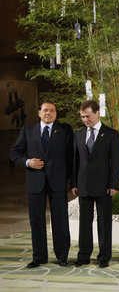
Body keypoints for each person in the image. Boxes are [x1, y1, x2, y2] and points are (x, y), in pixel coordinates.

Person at [10, 102, 72, 268]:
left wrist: (71, 181)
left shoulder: (65, 131)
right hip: (35, 182)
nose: (48, 113)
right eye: (45, 110)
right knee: (36, 220)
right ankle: (39, 257)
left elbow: (71, 158)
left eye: (52, 110)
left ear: (56, 114)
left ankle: (62, 256)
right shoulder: (27, 131)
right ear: (39, 113)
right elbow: (14, 154)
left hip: (58, 182)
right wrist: (28, 162)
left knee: (60, 220)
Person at [71, 100, 119, 268]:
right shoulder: (78, 135)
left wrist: (113, 184)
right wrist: (74, 183)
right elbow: (75, 162)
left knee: (104, 223)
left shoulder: (112, 134)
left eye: (89, 116)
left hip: (104, 186)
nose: (86, 120)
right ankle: (83, 255)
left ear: (98, 113)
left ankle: (104, 257)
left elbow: (116, 162)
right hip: (83, 185)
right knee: (84, 223)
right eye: (83, 117)